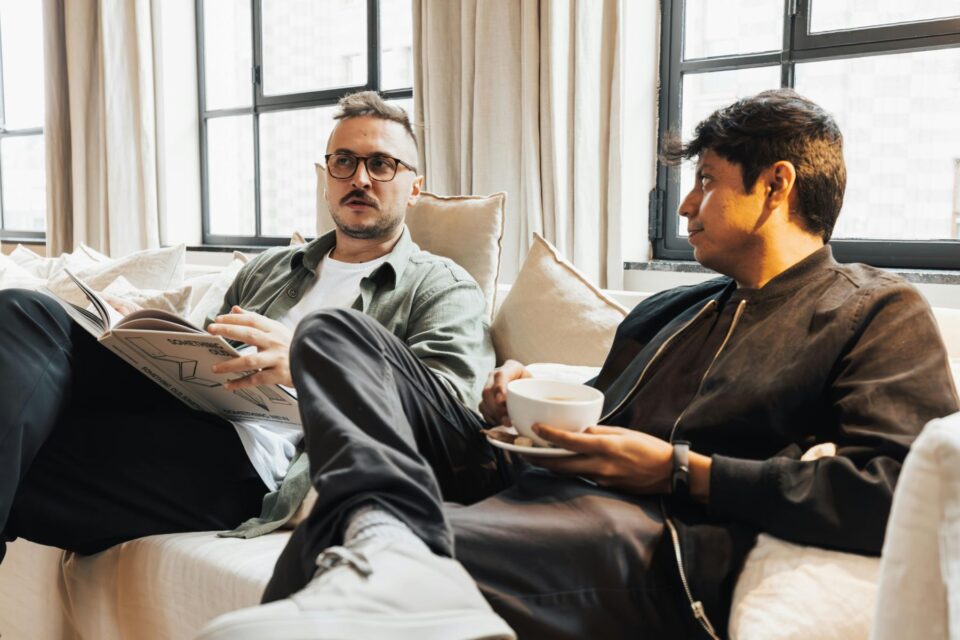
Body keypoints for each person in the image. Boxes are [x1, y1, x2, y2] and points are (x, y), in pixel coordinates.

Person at [197, 89, 959, 640]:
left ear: (777, 186)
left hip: (643, 531)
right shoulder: (674, 309)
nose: (687, 208)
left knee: (345, 545)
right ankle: (391, 535)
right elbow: (592, 412)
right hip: (529, 480)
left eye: (705, 182)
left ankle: (386, 538)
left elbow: (898, 493)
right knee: (332, 333)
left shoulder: (871, 311)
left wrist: (679, 469)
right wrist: (513, 404)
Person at [0, 91, 494, 592]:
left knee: (23, 466)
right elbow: (204, 353)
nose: (360, 178)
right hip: (192, 412)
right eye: (343, 161)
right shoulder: (270, 269)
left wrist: (308, 363)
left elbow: (449, 418)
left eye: (382, 164)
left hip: (255, 463)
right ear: (326, 177)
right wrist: (138, 335)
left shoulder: (440, 285)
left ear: (414, 187)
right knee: (23, 310)